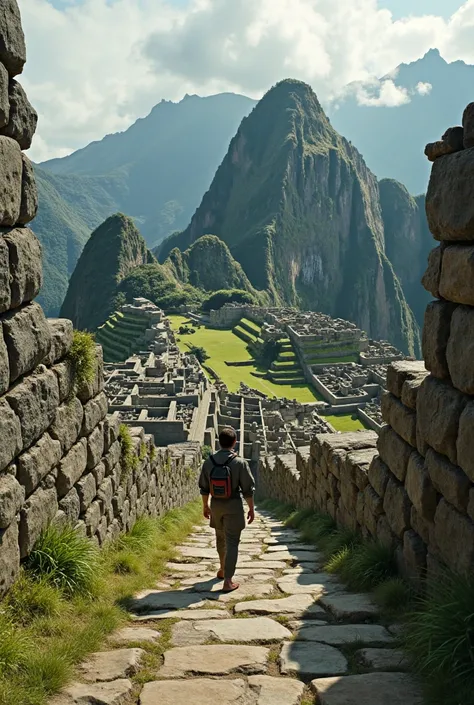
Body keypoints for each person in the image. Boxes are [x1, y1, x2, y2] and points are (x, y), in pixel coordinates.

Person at [199, 426, 255, 592]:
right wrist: (251, 509)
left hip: (216, 505)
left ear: (219, 442)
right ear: (234, 442)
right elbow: (248, 489)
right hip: (233, 506)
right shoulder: (240, 463)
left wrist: (205, 505)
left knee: (220, 538)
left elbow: (204, 487)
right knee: (232, 542)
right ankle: (228, 580)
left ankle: (223, 569)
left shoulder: (209, 462)